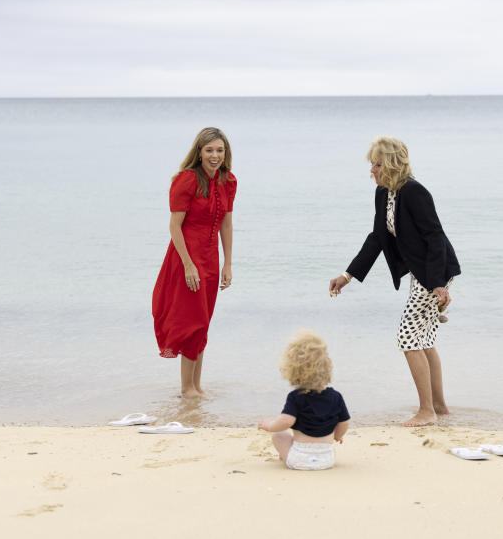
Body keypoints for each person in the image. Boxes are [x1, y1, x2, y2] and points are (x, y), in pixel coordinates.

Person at [328, 136, 460, 427]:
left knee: (407, 336)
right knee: (423, 338)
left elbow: (435, 237)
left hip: (433, 273)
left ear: (390, 164)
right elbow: (377, 237)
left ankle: (426, 411)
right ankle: (438, 407)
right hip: (421, 273)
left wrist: (438, 283)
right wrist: (347, 276)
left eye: (376, 164)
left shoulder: (415, 192)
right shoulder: (385, 194)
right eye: (371, 165)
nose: (371, 170)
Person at [152, 127, 237, 398]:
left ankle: (196, 386)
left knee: (204, 322)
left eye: (220, 150)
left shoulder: (228, 181)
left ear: (226, 153)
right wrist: (188, 265)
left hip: (211, 259)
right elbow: (174, 226)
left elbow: (226, 224)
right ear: (199, 152)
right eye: (209, 150)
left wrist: (228, 264)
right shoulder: (186, 180)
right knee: (193, 322)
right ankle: (187, 388)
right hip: (186, 258)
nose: (215, 155)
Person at [258, 329, 350, 470]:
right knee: (317, 442)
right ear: (326, 367)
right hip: (327, 459)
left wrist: (270, 426)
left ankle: (284, 455)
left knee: (279, 435)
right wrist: (337, 436)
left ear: (292, 369)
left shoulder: (296, 397)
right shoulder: (336, 397)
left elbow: (286, 421)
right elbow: (344, 422)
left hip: (299, 459)